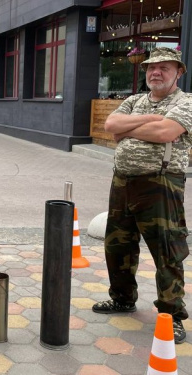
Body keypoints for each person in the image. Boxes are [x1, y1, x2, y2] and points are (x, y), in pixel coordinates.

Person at [92, 47, 191, 344]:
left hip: (160, 185)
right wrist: (150, 121)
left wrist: (131, 128)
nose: (155, 72)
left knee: (167, 251)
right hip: (122, 183)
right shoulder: (135, 100)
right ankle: (123, 298)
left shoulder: (185, 101)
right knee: (117, 245)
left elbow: (166, 133)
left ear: (178, 72)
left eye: (164, 68)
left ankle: (171, 315)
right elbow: (111, 126)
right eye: (151, 68)